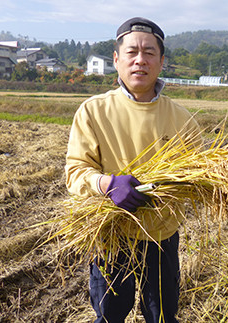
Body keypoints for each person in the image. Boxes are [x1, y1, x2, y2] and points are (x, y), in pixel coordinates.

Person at [65, 17, 200, 323]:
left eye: (149, 52)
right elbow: (75, 173)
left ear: (161, 61)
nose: (140, 60)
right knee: (110, 314)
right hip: (112, 234)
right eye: (132, 52)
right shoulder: (93, 111)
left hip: (162, 235)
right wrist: (107, 184)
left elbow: (195, 179)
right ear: (116, 59)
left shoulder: (182, 119)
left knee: (162, 314)